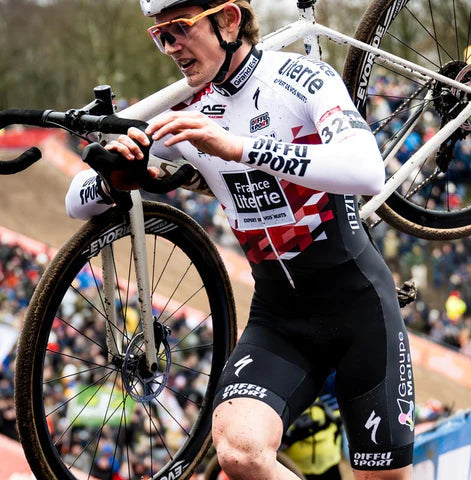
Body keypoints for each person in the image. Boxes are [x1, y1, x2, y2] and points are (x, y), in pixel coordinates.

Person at [65, 1, 415, 478]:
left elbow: (367, 171)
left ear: (229, 20)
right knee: (238, 451)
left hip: (359, 309)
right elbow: (75, 200)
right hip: (279, 319)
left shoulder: (301, 78)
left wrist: (238, 148)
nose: (171, 47)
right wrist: (114, 179)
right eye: (160, 36)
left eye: (179, 29)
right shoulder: (185, 109)